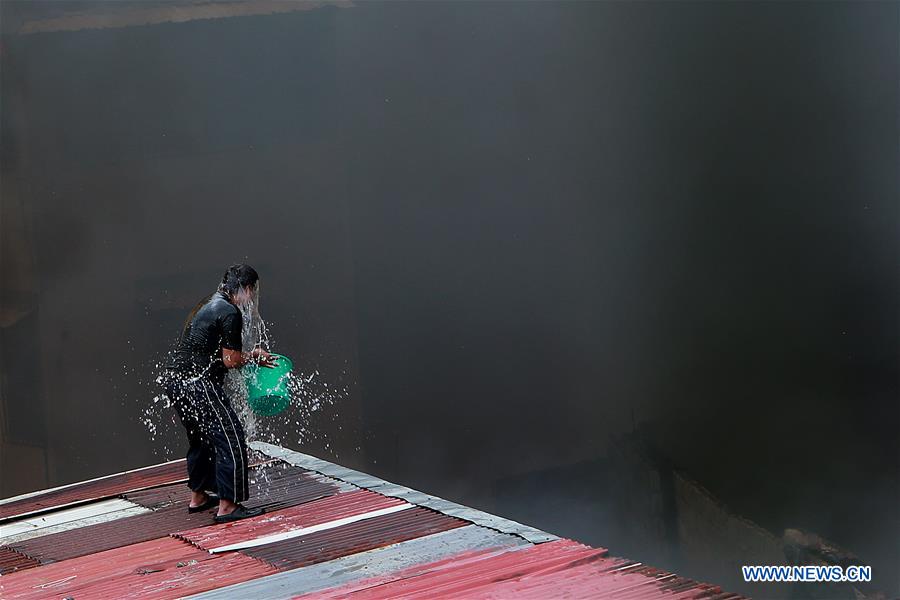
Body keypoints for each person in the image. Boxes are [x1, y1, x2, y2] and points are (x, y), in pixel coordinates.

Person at [160, 264, 276, 523]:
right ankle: (228, 506)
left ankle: (199, 496)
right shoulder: (229, 311)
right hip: (198, 384)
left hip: (176, 381)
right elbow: (231, 360)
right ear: (247, 289)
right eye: (253, 292)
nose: (253, 299)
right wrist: (254, 355)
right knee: (230, 436)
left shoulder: (208, 303)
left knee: (201, 438)